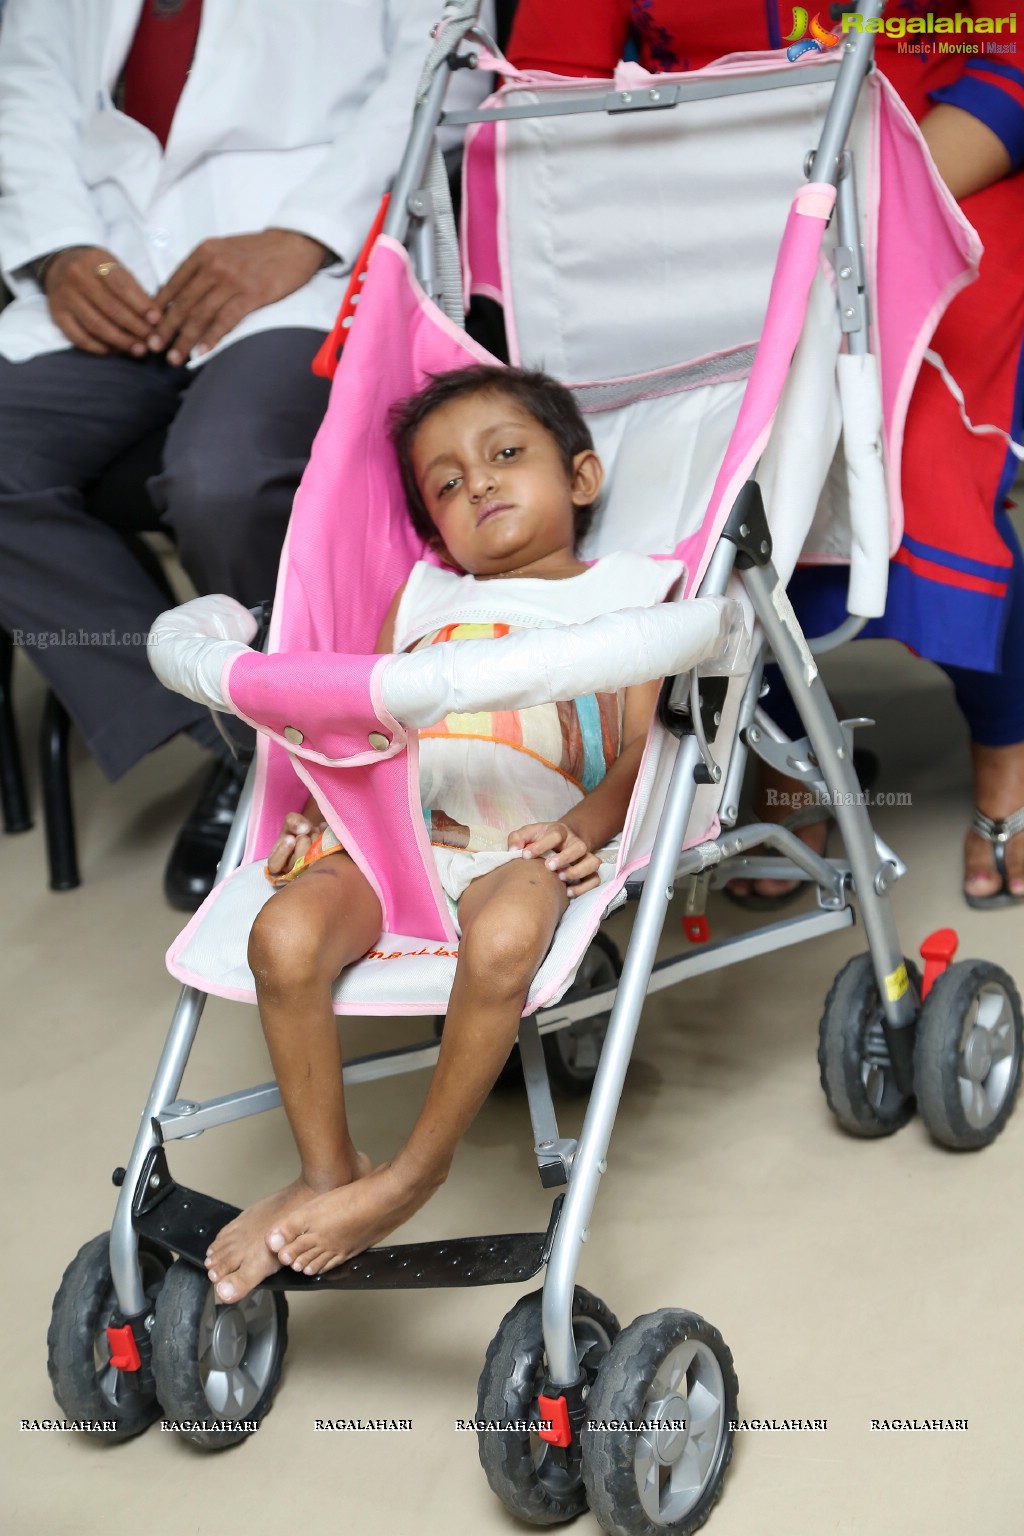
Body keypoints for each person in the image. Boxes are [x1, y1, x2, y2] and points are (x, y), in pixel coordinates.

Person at [506, 0, 1024, 907]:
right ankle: (797, 746)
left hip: (933, 178)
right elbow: (549, 95)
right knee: (706, 462)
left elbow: (1003, 50)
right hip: (702, 214)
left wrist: (841, 210)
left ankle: (1007, 738)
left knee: (918, 445)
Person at [204, 364, 682, 1301]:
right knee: (283, 935)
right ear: (436, 525)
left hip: (528, 837)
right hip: (393, 836)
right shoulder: (424, 600)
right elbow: (364, 725)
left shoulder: (633, 590)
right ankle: (327, 1169)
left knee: (505, 936)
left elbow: (645, 747)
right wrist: (323, 804)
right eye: (448, 484)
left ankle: (415, 1170)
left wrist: (585, 829)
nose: (481, 484)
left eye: (506, 455)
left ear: (580, 477)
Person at [0, 0, 490, 909]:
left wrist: (302, 234)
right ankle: (246, 737)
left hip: (308, 263)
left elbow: (447, 62)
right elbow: (26, 85)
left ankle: (293, 733)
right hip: (113, 263)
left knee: (223, 477)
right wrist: (61, 251)